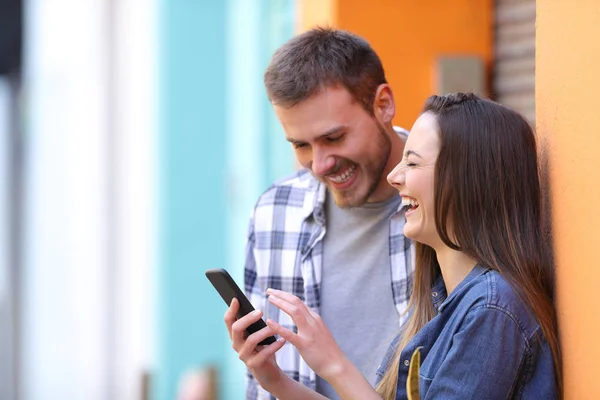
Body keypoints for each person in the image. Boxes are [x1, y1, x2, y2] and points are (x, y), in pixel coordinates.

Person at [226, 93, 562, 399]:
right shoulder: (444, 299)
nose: (394, 176)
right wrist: (274, 380)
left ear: (469, 178)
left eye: (412, 163)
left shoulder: (492, 309)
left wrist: (334, 366)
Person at [243, 28, 414, 399]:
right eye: (301, 145)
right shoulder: (275, 212)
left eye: (334, 138)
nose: (319, 165)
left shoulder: (454, 199)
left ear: (382, 104)